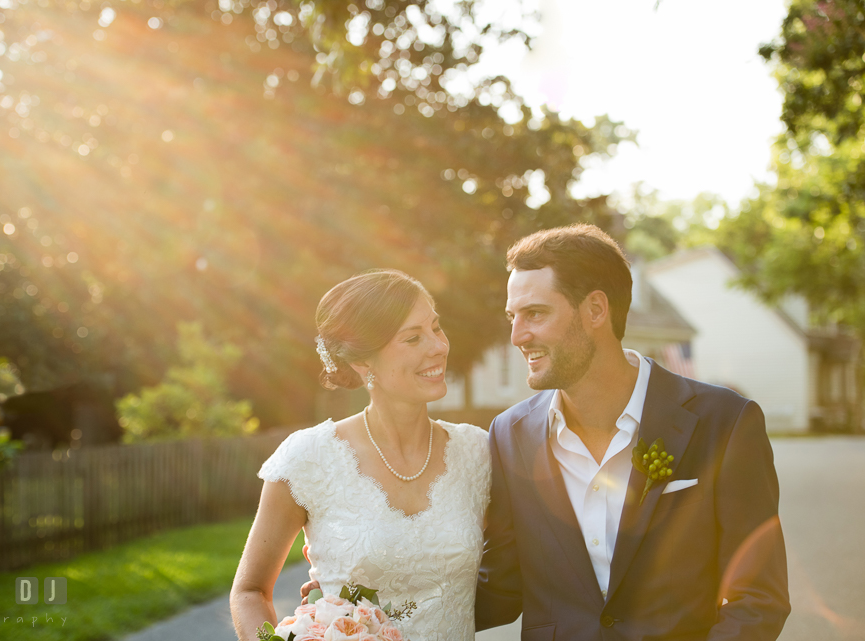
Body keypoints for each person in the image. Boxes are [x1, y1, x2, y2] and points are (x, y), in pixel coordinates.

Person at [475, 224, 790, 639]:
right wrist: (382, 611)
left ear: (595, 310)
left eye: (535, 313)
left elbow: (758, 598)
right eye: (513, 317)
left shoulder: (725, 422)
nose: (518, 336)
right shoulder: (510, 434)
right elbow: (501, 587)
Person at [229, 269, 490, 641]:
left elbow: (517, 570)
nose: (438, 346)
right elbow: (250, 591)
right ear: (363, 363)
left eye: (436, 328)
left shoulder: (478, 453)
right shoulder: (310, 457)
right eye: (414, 337)